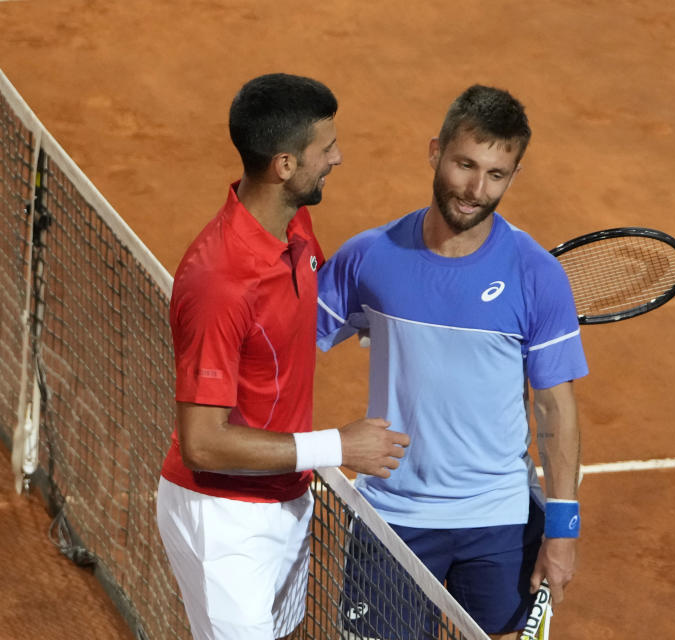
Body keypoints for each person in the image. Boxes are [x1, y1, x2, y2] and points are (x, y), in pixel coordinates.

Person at [316, 85, 588, 639]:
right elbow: (288, 348)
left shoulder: (536, 274)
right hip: (394, 517)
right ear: (435, 150)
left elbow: (555, 411)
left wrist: (562, 532)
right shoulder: (370, 258)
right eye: (466, 164)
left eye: (496, 174)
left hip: (498, 520)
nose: (475, 189)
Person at [156, 73, 410, 640]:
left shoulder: (294, 224)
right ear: (285, 165)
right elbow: (202, 441)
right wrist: (337, 447)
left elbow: (294, 322)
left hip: (288, 498)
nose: (338, 158)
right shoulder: (219, 281)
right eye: (327, 148)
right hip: (224, 517)